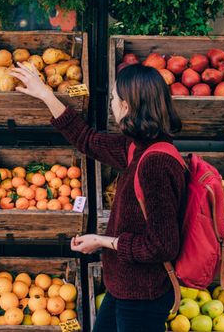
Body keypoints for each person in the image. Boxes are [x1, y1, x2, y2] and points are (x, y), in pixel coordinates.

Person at [10, 63, 186, 332]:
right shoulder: (137, 147)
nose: (112, 105)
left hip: (143, 295)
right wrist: (46, 95)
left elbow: (162, 246)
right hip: (124, 285)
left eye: (114, 99)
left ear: (127, 107)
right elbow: (87, 140)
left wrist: (102, 241)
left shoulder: (155, 163)